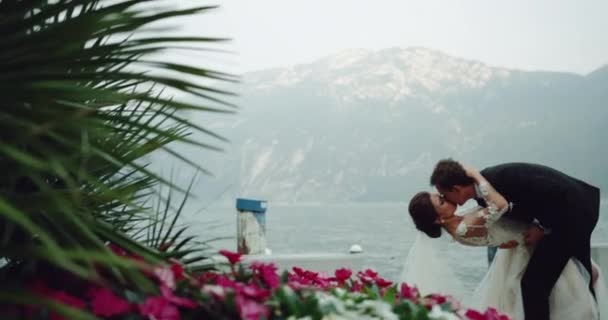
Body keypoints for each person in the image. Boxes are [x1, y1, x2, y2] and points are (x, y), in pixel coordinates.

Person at [405, 163, 605, 319]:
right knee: (560, 285)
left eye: (442, 195)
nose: (444, 198)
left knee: (579, 278)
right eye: (441, 200)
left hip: (563, 215)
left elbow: (508, 212)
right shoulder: (463, 226)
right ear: (438, 218)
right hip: (530, 241)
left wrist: (536, 227)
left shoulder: (465, 217)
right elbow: (500, 205)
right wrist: (475, 174)